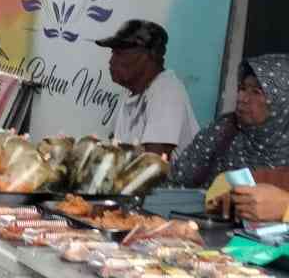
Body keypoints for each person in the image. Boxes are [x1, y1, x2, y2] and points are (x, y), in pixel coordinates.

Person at [169, 55, 289, 220]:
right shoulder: (225, 129)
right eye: (242, 88)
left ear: (282, 101)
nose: (242, 98)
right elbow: (176, 180)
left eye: (256, 92)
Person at [98, 20, 199, 156]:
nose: (111, 61)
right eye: (113, 53)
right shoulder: (130, 91)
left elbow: (152, 162)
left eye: (119, 54)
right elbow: (113, 145)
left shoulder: (167, 90)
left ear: (148, 56)